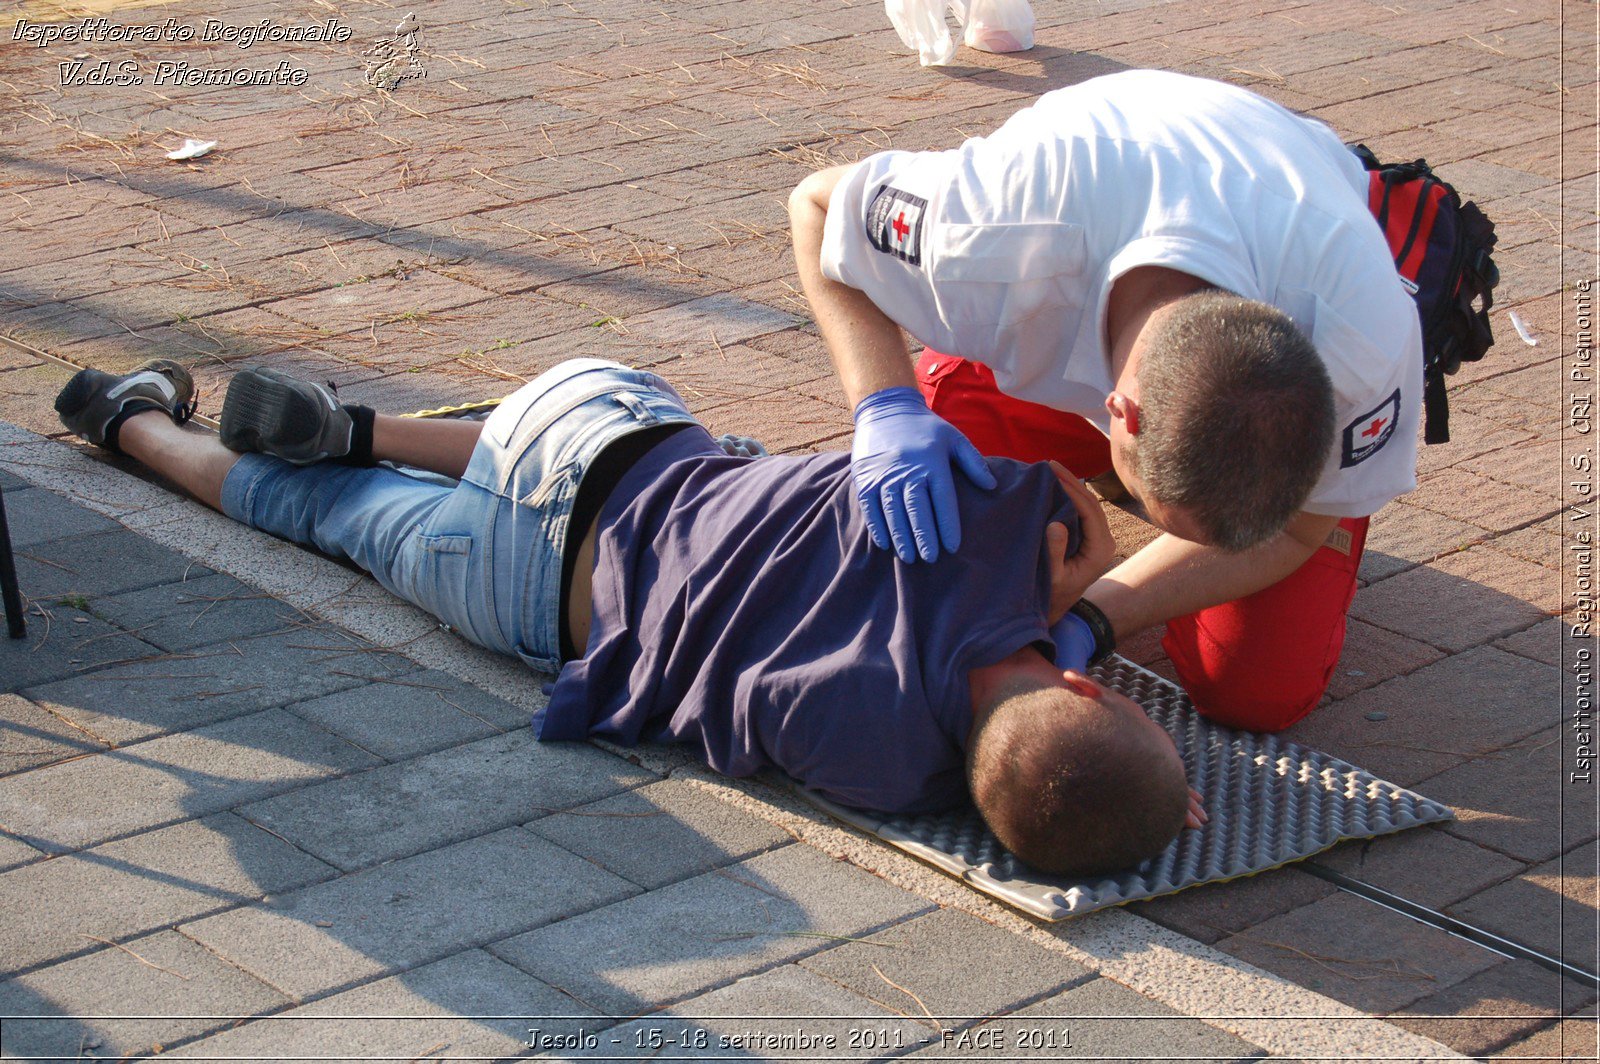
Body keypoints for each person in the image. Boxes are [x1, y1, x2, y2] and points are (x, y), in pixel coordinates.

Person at [53, 357, 1206, 876]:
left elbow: (1063, 508)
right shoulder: (893, 764)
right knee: (324, 518)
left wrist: (1060, 594)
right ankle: (133, 424)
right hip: (517, 591)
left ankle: (378, 427)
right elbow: (1018, 773)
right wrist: (1100, 803)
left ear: (1089, 681)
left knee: (707, 465)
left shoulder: (1017, 528)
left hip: (598, 425)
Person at [787, 69, 1425, 734]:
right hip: (1061, 240)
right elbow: (816, 206)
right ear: (1117, 410)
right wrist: (886, 405)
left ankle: (1139, 484)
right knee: (936, 526)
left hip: (1281, 206)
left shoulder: (1366, 337)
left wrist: (1096, 617)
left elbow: (1299, 528)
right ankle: (987, 378)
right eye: (1174, 523)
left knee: (1258, 693)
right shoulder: (986, 230)